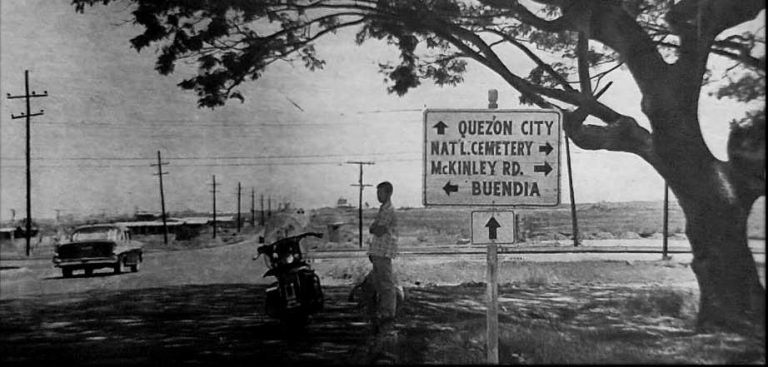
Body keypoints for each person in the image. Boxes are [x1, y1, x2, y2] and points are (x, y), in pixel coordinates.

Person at [368, 181, 398, 334]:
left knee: (386, 284)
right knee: (380, 283)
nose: (378, 195)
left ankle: (388, 314)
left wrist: (374, 227)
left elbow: (377, 229)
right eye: (377, 192)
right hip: (378, 251)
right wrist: (374, 228)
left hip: (384, 252)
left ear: (388, 193)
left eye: (380, 192)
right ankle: (384, 311)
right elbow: (373, 228)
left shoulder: (389, 210)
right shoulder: (382, 209)